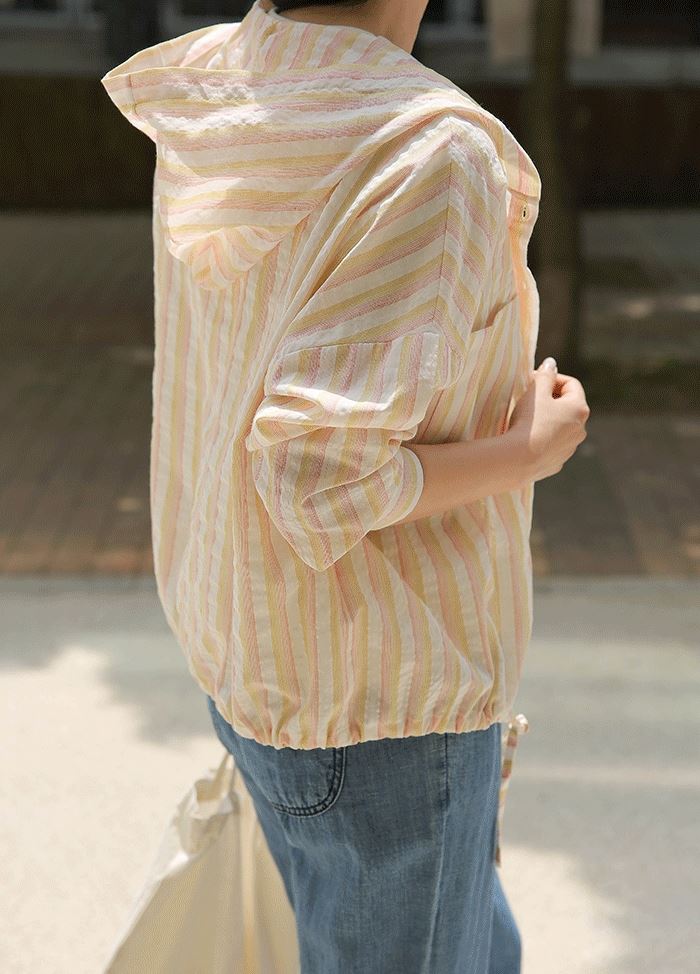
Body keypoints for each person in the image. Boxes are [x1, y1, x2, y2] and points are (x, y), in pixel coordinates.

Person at [101, 1, 590, 970]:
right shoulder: (426, 148)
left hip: (261, 661)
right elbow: (318, 479)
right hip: (386, 702)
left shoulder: (226, 84)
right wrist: (528, 450)